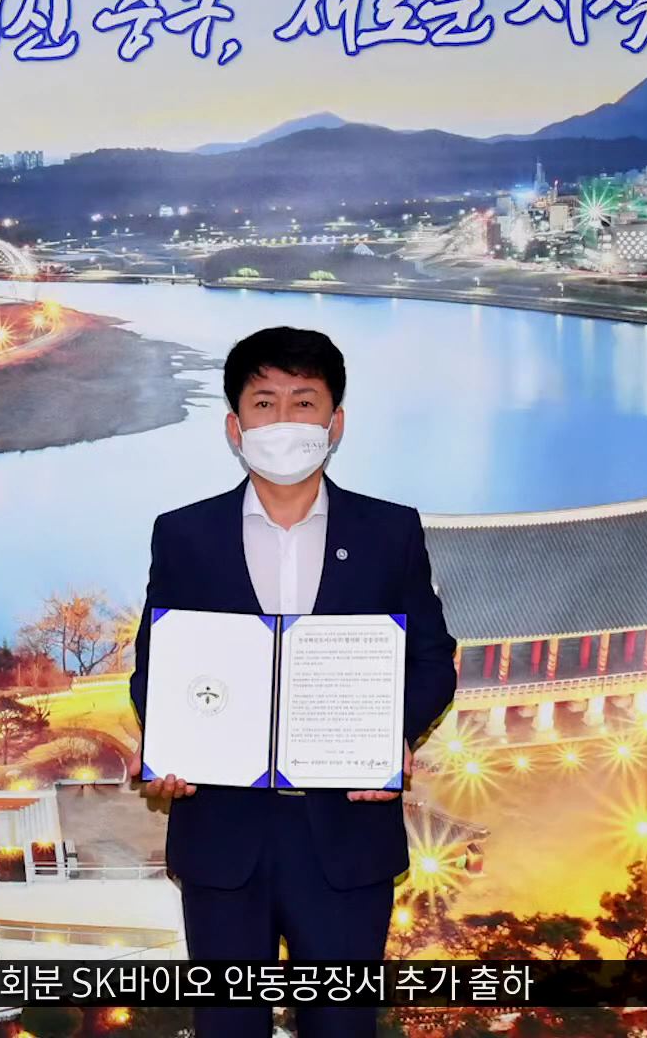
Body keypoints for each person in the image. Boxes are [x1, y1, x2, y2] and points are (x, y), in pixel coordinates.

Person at [126, 326, 459, 1038]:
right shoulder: (184, 534)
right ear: (234, 427)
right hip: (222, 835)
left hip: (346, 836)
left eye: (304, 402)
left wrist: (390, 736)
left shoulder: (389, 532)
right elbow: (156, 666)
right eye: (264, 402)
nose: (284, 421)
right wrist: (165, 744)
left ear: (335, 424)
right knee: (228, 1029)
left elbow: (433, 660)